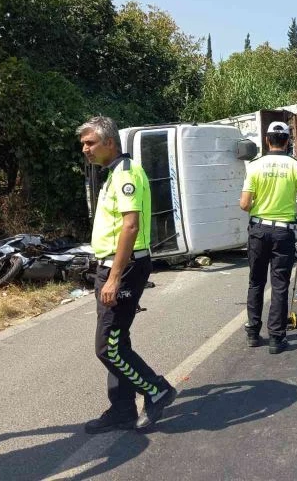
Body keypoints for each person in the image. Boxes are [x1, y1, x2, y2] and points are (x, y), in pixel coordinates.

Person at [78, 116, 176, 434]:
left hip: (124, 268)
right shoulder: (112, 174)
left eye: (90, 143)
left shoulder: (126, 173)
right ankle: (122, 408)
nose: (85, 149)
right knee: (119, 338)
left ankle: (156, 388)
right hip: (110, 266)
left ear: (109, 142)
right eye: (83, 144)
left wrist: (114, 277)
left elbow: (131, 226)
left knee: (107, 347)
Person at [240, 121, 297, 354]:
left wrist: (258, 205)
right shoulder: (295, 166)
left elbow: (244, 204)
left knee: (256, 281)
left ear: (267, 140)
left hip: (258, 230)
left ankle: (253, 332)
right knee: (280, 284)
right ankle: (276, 338)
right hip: (284, 232)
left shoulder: (254, 166)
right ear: (287, 141)